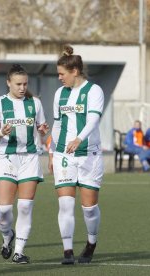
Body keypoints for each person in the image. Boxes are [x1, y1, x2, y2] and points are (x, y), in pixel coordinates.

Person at [0, 64, 48, 264]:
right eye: (18, 84)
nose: (22, 87)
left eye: (25, 84)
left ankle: (19, 251)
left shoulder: (35, 103)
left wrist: (42, 130)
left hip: (30, 158)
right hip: (7, 157)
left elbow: (41, 128)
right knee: (3, 210)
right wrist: (1, 132)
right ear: (8, 83)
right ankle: (7, 237)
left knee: (24, 206)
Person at [48, 45, 104, 265]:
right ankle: (68, 251)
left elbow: (93, 120)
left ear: (75, 71)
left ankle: (91, 243)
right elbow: (57, 124)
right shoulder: (59, 94)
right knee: (65, 205)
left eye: (62, 74)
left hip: (89, 154)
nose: (60, 78)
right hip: (64, 155)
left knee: (89, 208)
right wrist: (52, 152)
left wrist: (79, 138)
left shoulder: (94, 91)